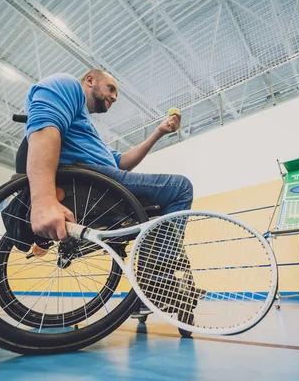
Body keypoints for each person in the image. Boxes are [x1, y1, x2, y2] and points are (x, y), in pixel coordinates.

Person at [24, 69, 196, 318]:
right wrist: (43, 199)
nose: (115, 97)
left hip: (103, 179)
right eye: (111, 88)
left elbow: (122, 163)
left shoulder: (86, 130)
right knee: (179, 188)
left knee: (156, 214)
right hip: (92, 181)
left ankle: (150, 283)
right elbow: (42, 128)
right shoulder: (67, 85)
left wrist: (159, 132)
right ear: (90, 81)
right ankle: (158, 280)